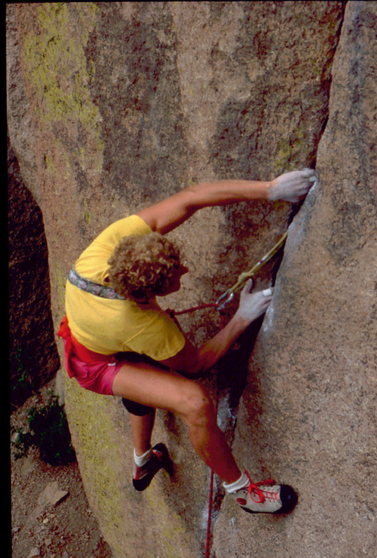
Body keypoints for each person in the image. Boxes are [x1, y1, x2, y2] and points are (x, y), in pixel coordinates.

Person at [58, 168, 316, 514]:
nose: (185, 271)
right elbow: (195, 366)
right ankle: (243, 493)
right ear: (147, 295)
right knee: (194, 403)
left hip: (95, 332)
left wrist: (270, 190)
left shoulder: (110, 247)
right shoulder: (142, 325)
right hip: (97, 364)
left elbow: (191, 197)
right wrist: (243, 316)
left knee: (147, 370)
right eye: (176, 275)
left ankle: (143, 460)